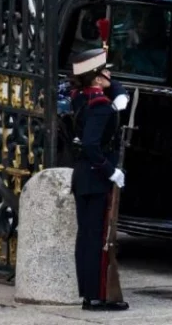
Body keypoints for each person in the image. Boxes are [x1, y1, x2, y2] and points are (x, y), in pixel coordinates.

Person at [69, 48, 131, 311]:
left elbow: (109, 84)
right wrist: (111, 171)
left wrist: (113, 87)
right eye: (104, 72)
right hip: (95, 178)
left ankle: (89, 293)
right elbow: (92, 145)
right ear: (96, 79)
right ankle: (94, 297)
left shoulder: (81, 98)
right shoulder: (101, 107)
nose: (110, 74)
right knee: (94, 239)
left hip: (83, 177)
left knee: (86, 237)